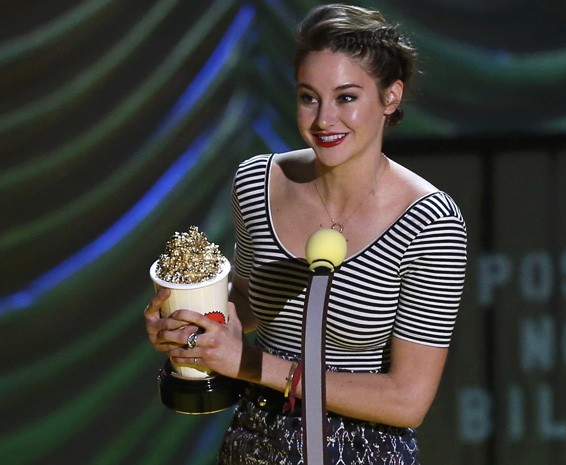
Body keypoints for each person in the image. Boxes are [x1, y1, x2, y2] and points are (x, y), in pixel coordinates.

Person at [145, 4, 467, 464]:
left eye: (347, 97)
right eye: (308, 96)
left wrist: (250, 364)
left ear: (390, 97)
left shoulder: (429, 222)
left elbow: (407, 399)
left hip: (361, 451)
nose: (323, 119)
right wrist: (188, 323)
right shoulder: (257, 184)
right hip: (254, 442)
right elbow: (251, 305)